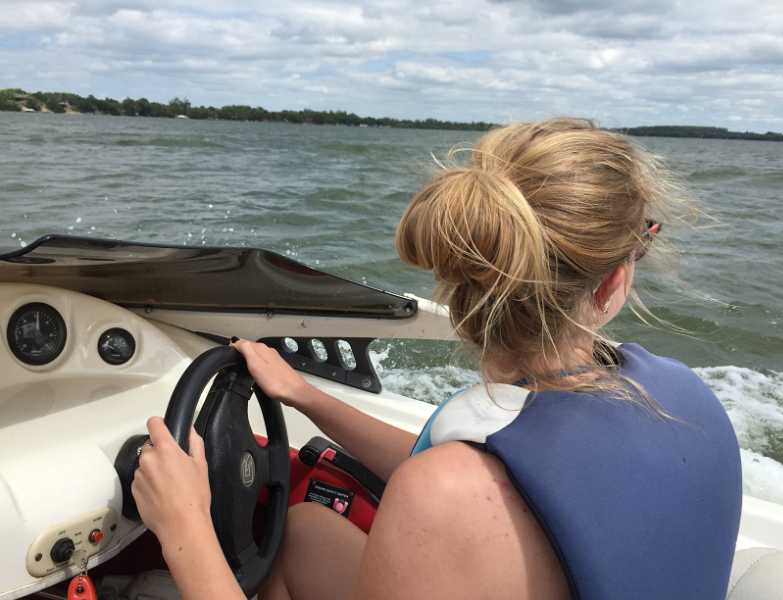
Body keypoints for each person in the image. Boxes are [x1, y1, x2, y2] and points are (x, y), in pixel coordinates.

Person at [131, 118, 742, 600]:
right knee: (309, 534)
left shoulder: (449, 491)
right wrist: (305, 395)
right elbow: (500, 480)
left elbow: (454, 489)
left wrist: (185, 526)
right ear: (612, 285)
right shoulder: (687, 396)